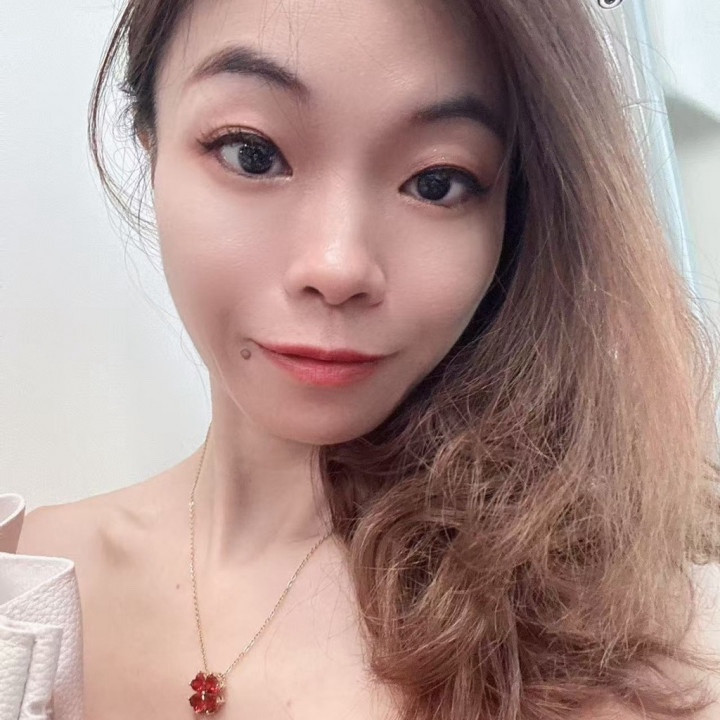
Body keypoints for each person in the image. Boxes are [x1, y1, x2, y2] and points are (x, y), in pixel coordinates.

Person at [14, 0, 720, 718]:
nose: (338, 265)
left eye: (438, 182)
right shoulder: (26, 580)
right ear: (150, 142)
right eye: (252, 153)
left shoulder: (632, 640)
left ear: (514, 214)